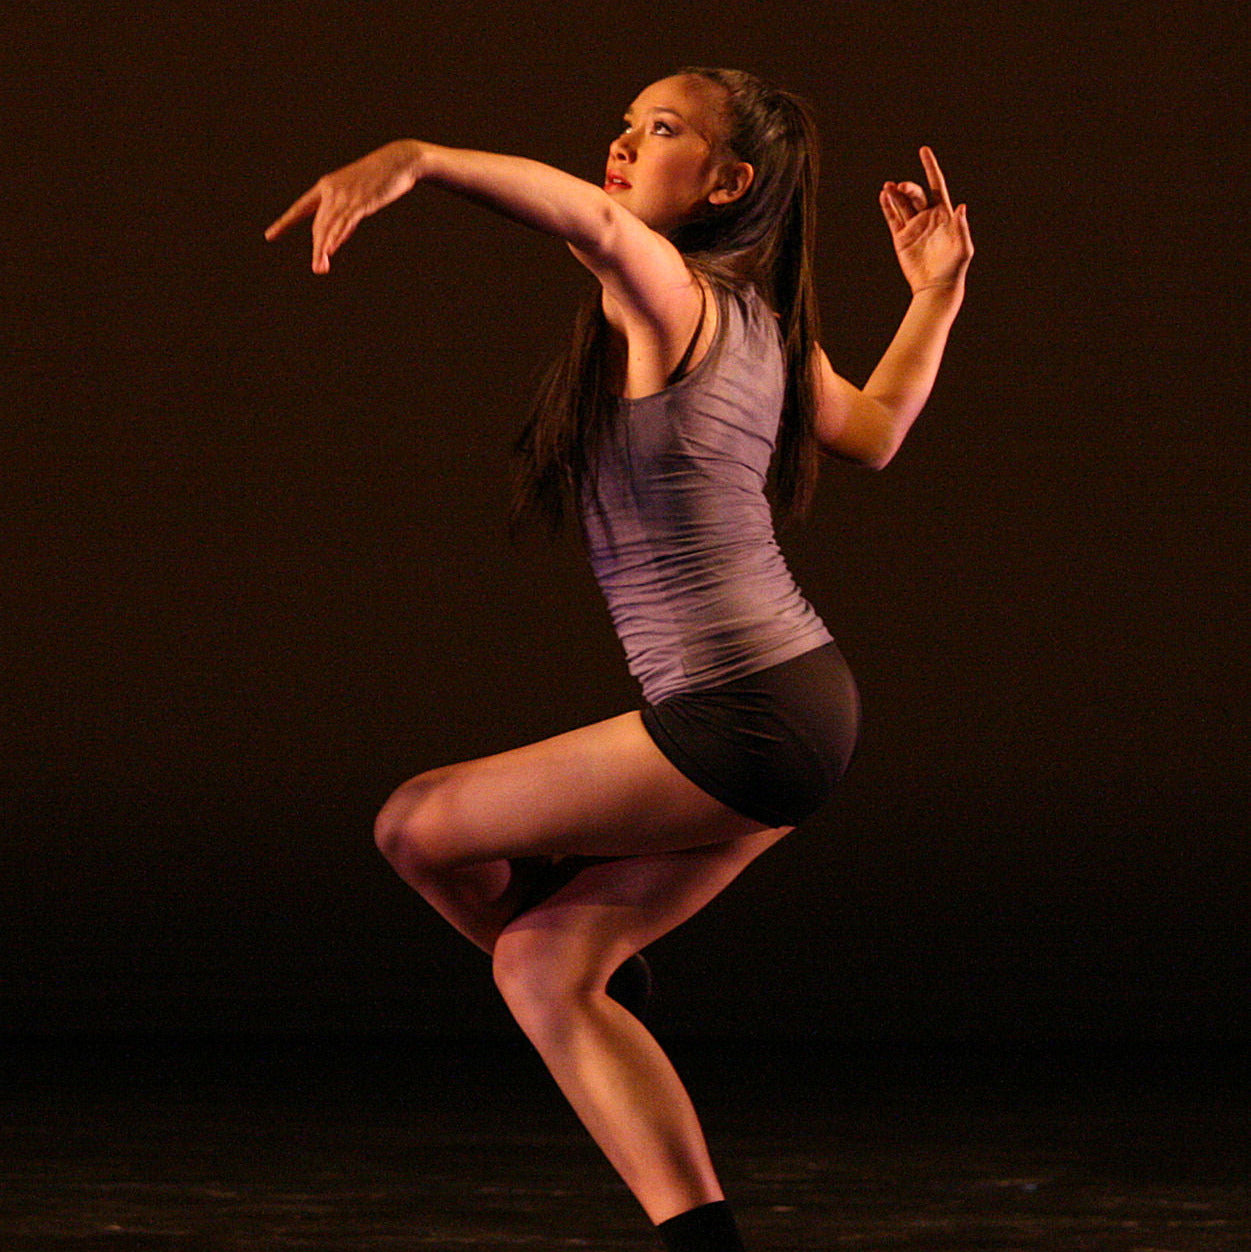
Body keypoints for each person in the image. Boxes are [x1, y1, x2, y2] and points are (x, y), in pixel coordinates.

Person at [266, 66, 972, 1252]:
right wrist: (938, 295)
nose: (626, 142)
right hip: (803, 711)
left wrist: (419, 158)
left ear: (728, 182)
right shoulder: (767, 325)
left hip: (740, 715)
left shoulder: (676, 295)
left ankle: (586, 961)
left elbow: (594, 224)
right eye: (630, 122)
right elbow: (877, 432)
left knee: (415, 824)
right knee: (543, 970)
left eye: (664, 129)